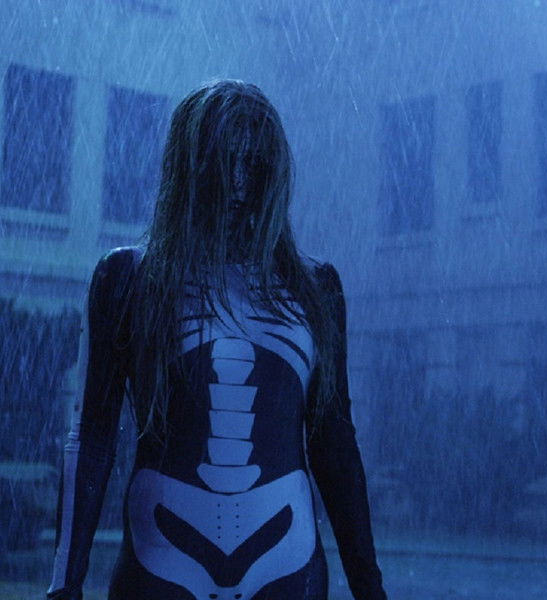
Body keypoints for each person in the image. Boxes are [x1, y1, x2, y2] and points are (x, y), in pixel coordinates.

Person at [47, 79, 387, 600]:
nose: (238, 183)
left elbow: (334, 445)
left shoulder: (315, 288)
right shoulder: (128, 280)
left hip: (282, 564)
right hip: (165, 560)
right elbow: (92, 439)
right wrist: (63, 586)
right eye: (223, 161)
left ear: (272, 174)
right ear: (190, 168)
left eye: (253, 163)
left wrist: (370, 588)